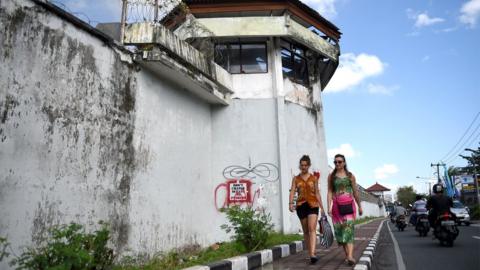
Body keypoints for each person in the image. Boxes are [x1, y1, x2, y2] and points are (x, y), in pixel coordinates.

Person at [327, 154, 362, 266]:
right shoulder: (331, 176)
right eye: (335, 162)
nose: (337, 164)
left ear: (344, 163)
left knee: (349, 230)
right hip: (337, 208)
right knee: (340, 232)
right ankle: (348, 255)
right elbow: (329, 192)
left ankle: (350, 256)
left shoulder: (350, 176)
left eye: (340, 162)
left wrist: (359, 205)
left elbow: (355, 191)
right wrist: (329, 207)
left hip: (349, 206)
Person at [289, 155, 325, 264]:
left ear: (309, 166)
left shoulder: (314, 178)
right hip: (301, 205)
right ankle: (310, 253)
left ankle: (313, 253)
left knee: (312, 228)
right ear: (300, 166)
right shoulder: (296, 178)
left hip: (313, 205)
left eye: (305, 165)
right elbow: (292, 191)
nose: (303, 167)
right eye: (302, 165)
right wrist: (290, 203)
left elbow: (317, 194)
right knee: (305, 231)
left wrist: (322, 208)